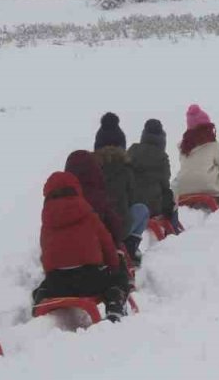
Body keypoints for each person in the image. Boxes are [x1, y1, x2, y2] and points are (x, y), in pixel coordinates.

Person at [33, 171, 128, 322]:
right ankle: (115, 302)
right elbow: (107, 244)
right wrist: (115, 267)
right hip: (91, 280)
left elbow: (45, 253)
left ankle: (40, 299)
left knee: (43, 286)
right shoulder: (87, 213)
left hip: (57, 284)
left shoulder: (47, 220)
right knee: (117, 278)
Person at [93, 113, 147, 266]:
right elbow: (132, 199)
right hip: (120, 228)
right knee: (141, 209)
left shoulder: (91, 168)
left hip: (94, 227)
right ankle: (130, 248)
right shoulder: (126, 169)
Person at [173, 104, 219, 207]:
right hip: (209, 188)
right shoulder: (212, 144)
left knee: (178, 178)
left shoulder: (183, 146)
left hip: (184, 189)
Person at [128, 119, 184, 236]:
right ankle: (173, 230)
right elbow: (164, 184)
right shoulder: (162, 157)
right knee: (172, 196)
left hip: (131, 202)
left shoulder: (132, 150)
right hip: (152, 206)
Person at [64, 150, 124, 246]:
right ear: (94, 170)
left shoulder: (59, 197)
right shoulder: (98, 196)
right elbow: (116, 229)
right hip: (92, 252)